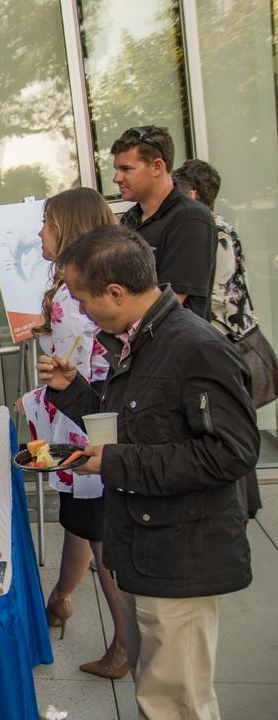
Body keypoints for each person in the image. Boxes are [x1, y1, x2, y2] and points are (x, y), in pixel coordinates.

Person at [38, 224, 257, 720]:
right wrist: (71, 391)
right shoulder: (139, 340)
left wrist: (113, 461)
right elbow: (132, 424)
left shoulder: (194, 346)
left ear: (116, 292)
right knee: (155, 691)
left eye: (81, 298)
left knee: (175, 704)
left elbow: (230, 454)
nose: (79, 310)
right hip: (144, 545)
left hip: (181, 555)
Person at [19, 187, 128, 678]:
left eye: (45, 223)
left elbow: (73, 373)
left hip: (83, 432)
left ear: (66, 228)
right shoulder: (90, 285)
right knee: (82, 524)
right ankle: (60, 597)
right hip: (96, 425)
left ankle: (124, 646)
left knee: (101, 540)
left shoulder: (70, 293)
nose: (39, 233)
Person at [173, 158, 266, 517]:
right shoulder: (214, 226)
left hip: (223, 340)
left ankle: (241, 506)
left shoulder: (213, 230)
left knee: (227, 429)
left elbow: (217, 293)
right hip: (221, 338)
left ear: (193, 194)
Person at [111, 125, 215, 319]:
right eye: (116, 169)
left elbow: (170, 301)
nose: (116, 178)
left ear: (157, 167)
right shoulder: (129, 219)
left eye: (126, 169)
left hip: (176, 346)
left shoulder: (191, 218)